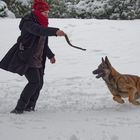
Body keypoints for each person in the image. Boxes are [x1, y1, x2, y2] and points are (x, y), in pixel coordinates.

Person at [0, 0, 65, 114]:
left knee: (39, 84)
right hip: (26, 57)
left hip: (38, 58)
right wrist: (55, 32)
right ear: (38, 12)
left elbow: (42, 43)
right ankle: (19, 108)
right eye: (45, 13)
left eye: (47, 13)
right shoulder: (28, 23)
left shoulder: (42, 23)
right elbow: (38, 31)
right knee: (34, 82)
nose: (47, 15)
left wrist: (50, 55)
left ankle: (30, 106)